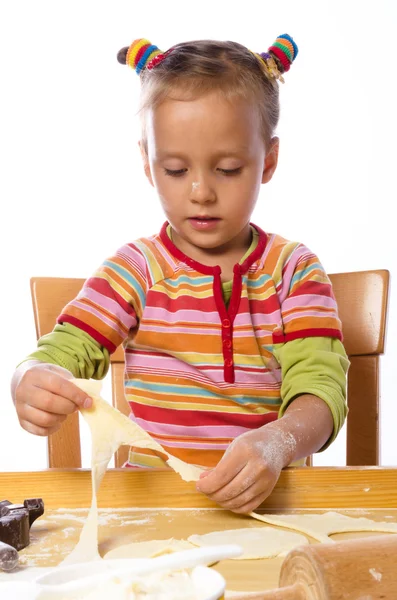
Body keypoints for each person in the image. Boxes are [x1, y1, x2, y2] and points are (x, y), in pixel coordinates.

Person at [11, 35, 349, 514]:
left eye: (228, 169)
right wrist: (31, 377)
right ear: (148, 163)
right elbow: (65, 351)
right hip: (153, 511)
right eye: (174, 168)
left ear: (267, 161)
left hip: (270, 509)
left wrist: (279, 440)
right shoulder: (136, 270)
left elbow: (321, 391)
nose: (201, 192)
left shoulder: (293, 271)